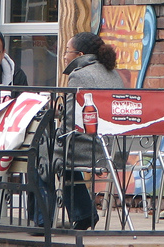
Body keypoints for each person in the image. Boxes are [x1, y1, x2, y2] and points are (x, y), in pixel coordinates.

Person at [56, 32, 123, 230]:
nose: (65, 56)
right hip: (111, 149)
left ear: (80, 54)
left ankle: (42, 220)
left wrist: (56, 136)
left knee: (41, 154)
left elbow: (70, 119)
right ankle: (84, 214)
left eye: (67, 51)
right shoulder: (112, 73)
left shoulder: (80, 75)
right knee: (59, 156)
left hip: (88, 148)